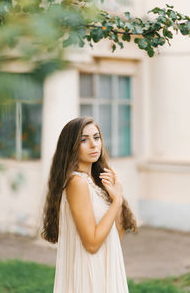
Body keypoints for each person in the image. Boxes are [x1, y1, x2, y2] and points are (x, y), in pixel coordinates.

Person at [41, 116, 138, 293]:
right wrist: (116, 202)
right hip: (89, 274)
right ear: (70, 147)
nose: (94, 145)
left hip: (107, 266)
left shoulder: (98, 181)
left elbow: (117, 235)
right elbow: (92, 244)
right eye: (84, 140)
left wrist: (117, 195)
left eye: (96, 137)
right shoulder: (77, 183)